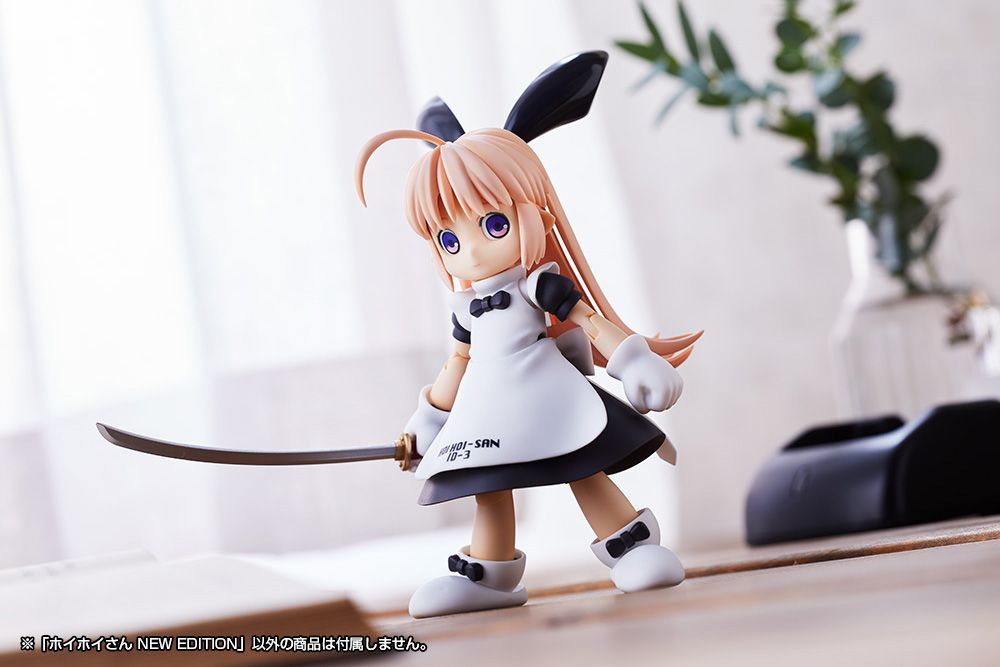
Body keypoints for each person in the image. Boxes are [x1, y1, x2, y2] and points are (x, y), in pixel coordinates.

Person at [355, 51, 701, 618]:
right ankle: (488, 577)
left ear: (533, 215)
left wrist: (635, 361)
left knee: (582, 468)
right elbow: (457, 363)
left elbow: (589, 321)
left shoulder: (539, 285)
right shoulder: (466, 308)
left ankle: (631, 548)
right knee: (489, 488)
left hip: (548, 395)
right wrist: (427, 421)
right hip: (486, 410)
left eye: (493, 224)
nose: (470, 250)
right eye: (448, 239)